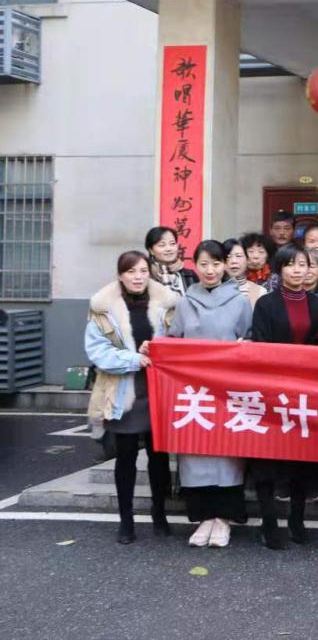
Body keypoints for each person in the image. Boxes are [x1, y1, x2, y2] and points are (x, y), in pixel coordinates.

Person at [84, 251, 179, 544]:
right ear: (120, 275)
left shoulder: (167, 303)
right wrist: (133, 359)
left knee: (159, 458)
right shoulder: (103, 307)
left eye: (143, 271)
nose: (138, 277)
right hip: (123, 390)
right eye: (131, 272)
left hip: (158, 390)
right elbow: (97, 350)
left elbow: (180, 340)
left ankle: (159, 514)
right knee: (125, 457)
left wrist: (162, 349)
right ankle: (126, 521)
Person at [169, 240, 253, 549]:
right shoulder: (185, 301)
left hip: (229, 390)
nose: (210, 270)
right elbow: (173, 341)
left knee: (227, 454)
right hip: (194, 391)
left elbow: (250, 338)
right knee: (196, 452)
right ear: (195, 265)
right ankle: (204, 516)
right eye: (203, 264)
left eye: (216, 264)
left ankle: (225, 518)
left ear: (225, 265)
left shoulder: (239, 301)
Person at [248, 244, 318, 549]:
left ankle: (297, 519)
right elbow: (260, 345)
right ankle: (269, 523)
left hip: (304, 393)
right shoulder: (266, 304)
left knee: (300, 460)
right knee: (266, 460)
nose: (298, 270)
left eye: (303, 265)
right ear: (279, 269)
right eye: (291, 264)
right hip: (271, 391)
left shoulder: (317, 305)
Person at [144, 225, 195, 297]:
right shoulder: (145, 275)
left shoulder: (189, 275)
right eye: (162, 245)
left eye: (172, 244)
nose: (168, 249)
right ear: (151, 250)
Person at [222, 238, 267, 308]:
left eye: (238, 256)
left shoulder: (260, 292)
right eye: (228, 257)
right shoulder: (213, 290)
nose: (234, 261)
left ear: (247, 260)